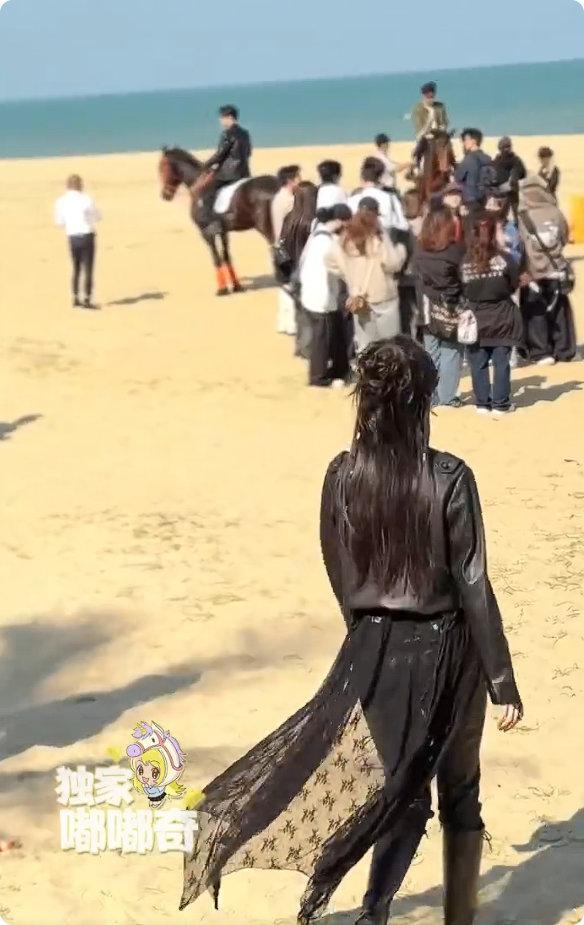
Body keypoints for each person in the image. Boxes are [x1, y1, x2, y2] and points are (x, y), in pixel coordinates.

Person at [181, 336, 523, 925]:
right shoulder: (449, 476)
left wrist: (368, 636)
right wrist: (502, 680)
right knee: (458, 790)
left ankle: (375, 911)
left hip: (373, 651)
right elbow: (473, 584)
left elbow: (339, 569)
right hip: (448, 648)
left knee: (398, 786)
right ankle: (457, 914)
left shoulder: (342, 474)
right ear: (424, 401)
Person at [461, 214, 523, 415]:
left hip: (475, 316)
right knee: (501, 362)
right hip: (501, 315)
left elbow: (461, 287)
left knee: (477, 363)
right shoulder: (505, 259)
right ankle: (501, 403)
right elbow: (513, 284)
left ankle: (482, 403)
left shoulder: (464, 261)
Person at [333, 201, 407, 353]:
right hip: (383, 296)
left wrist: (351, 281)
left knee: (365, 345)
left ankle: (365, 367)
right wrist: (401, 250)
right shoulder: (377, 240)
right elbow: (392, 264)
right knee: (389, 345)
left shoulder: (345, 239)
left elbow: (334, 263)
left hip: (359, 298)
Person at [518, 174, 577, 365]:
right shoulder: (556, 213)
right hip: (556, 270)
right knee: (560, 312)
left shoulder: (522, 217)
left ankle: (541, 352)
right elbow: (564, 237)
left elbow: (519, 246)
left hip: (532, 273)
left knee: (535, 313)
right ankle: (564, 350)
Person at [415, 206, 465, 407]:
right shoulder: (456, 251)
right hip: (450, 305)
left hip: (427, 305)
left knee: (431, 351)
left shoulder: (419, 249)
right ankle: (447, 396)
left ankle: (430, 395)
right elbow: (463, 279)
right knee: (451, 351)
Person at [298, 206, 350, 388]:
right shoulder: (329, 243)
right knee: (322, 339)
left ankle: (338, 370)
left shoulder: (316, 236)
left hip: (311, 294)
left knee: (329, 335)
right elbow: (342, 269)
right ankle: (318, 378)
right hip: (322, 297)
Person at [280, 182, 319, 358]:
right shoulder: (312, 221)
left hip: (293, 270)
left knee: (300, 312)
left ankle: (300, 346)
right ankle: (308, 349)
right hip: (309, 271)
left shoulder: (289, 218)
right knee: (312, 313)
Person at [199, 105, 252, 227]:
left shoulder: (227, 134)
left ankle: (213, 223)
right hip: (244, 172)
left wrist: (205, 165)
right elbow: (248, 153)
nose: (220, 120)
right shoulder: (245, 133)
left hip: (228, 174)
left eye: (222, 118)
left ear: (230, 117)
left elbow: (220, 154)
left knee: (207, 193)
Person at [54, 174, 101, 309]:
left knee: (76, 267)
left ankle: (75, 297)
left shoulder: (61, 201)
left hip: (72, 236)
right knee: (88, 268)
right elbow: (97, 216)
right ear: (80, 185)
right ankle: (87, 298)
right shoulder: (86, 199)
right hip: (86, 234)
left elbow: (59, 222)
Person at [272, 165, 302, 336]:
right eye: (297, 177)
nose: (300, 180)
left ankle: (283, 322)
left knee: (284, 287)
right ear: (290, 180)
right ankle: (291, 324)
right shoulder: (289, 200)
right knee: (291, 286)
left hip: (279, 247)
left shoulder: (279, 197)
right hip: (288, 248)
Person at [349, 158, 409, 237]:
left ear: (362, 178)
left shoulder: (352, 200)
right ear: (380, 178)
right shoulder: (391, 199)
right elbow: (404, 226)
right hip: (385, 241)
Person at [454, 129, 496, 214]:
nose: (464, 143)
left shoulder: (469, 159)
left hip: (470, 201)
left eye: (466, 139)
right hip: (485, 200)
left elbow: (458, 177)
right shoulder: (488, 158)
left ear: (473, 141)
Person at [411, 81, 449, 166]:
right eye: (428, 97)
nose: (430, 99)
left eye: (432, 97)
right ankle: (418, 167)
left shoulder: (440, 106)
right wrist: (430, 116)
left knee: (449, 149)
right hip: (425, 136)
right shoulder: (417, 109)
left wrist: (443, 127)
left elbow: (445, 121)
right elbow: (420, 130)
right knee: (419, 153)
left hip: (439, 134)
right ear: (424, 96)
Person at [493, 137, 526, 220]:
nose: (506, 149)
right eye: (505, 147)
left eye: (508, 146)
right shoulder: (497, 161)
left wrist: (513, 180)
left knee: (514, 218)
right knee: (501, 219)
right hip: (500, 195)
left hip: (509, 195)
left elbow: (522, 173)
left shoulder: (515, 160)